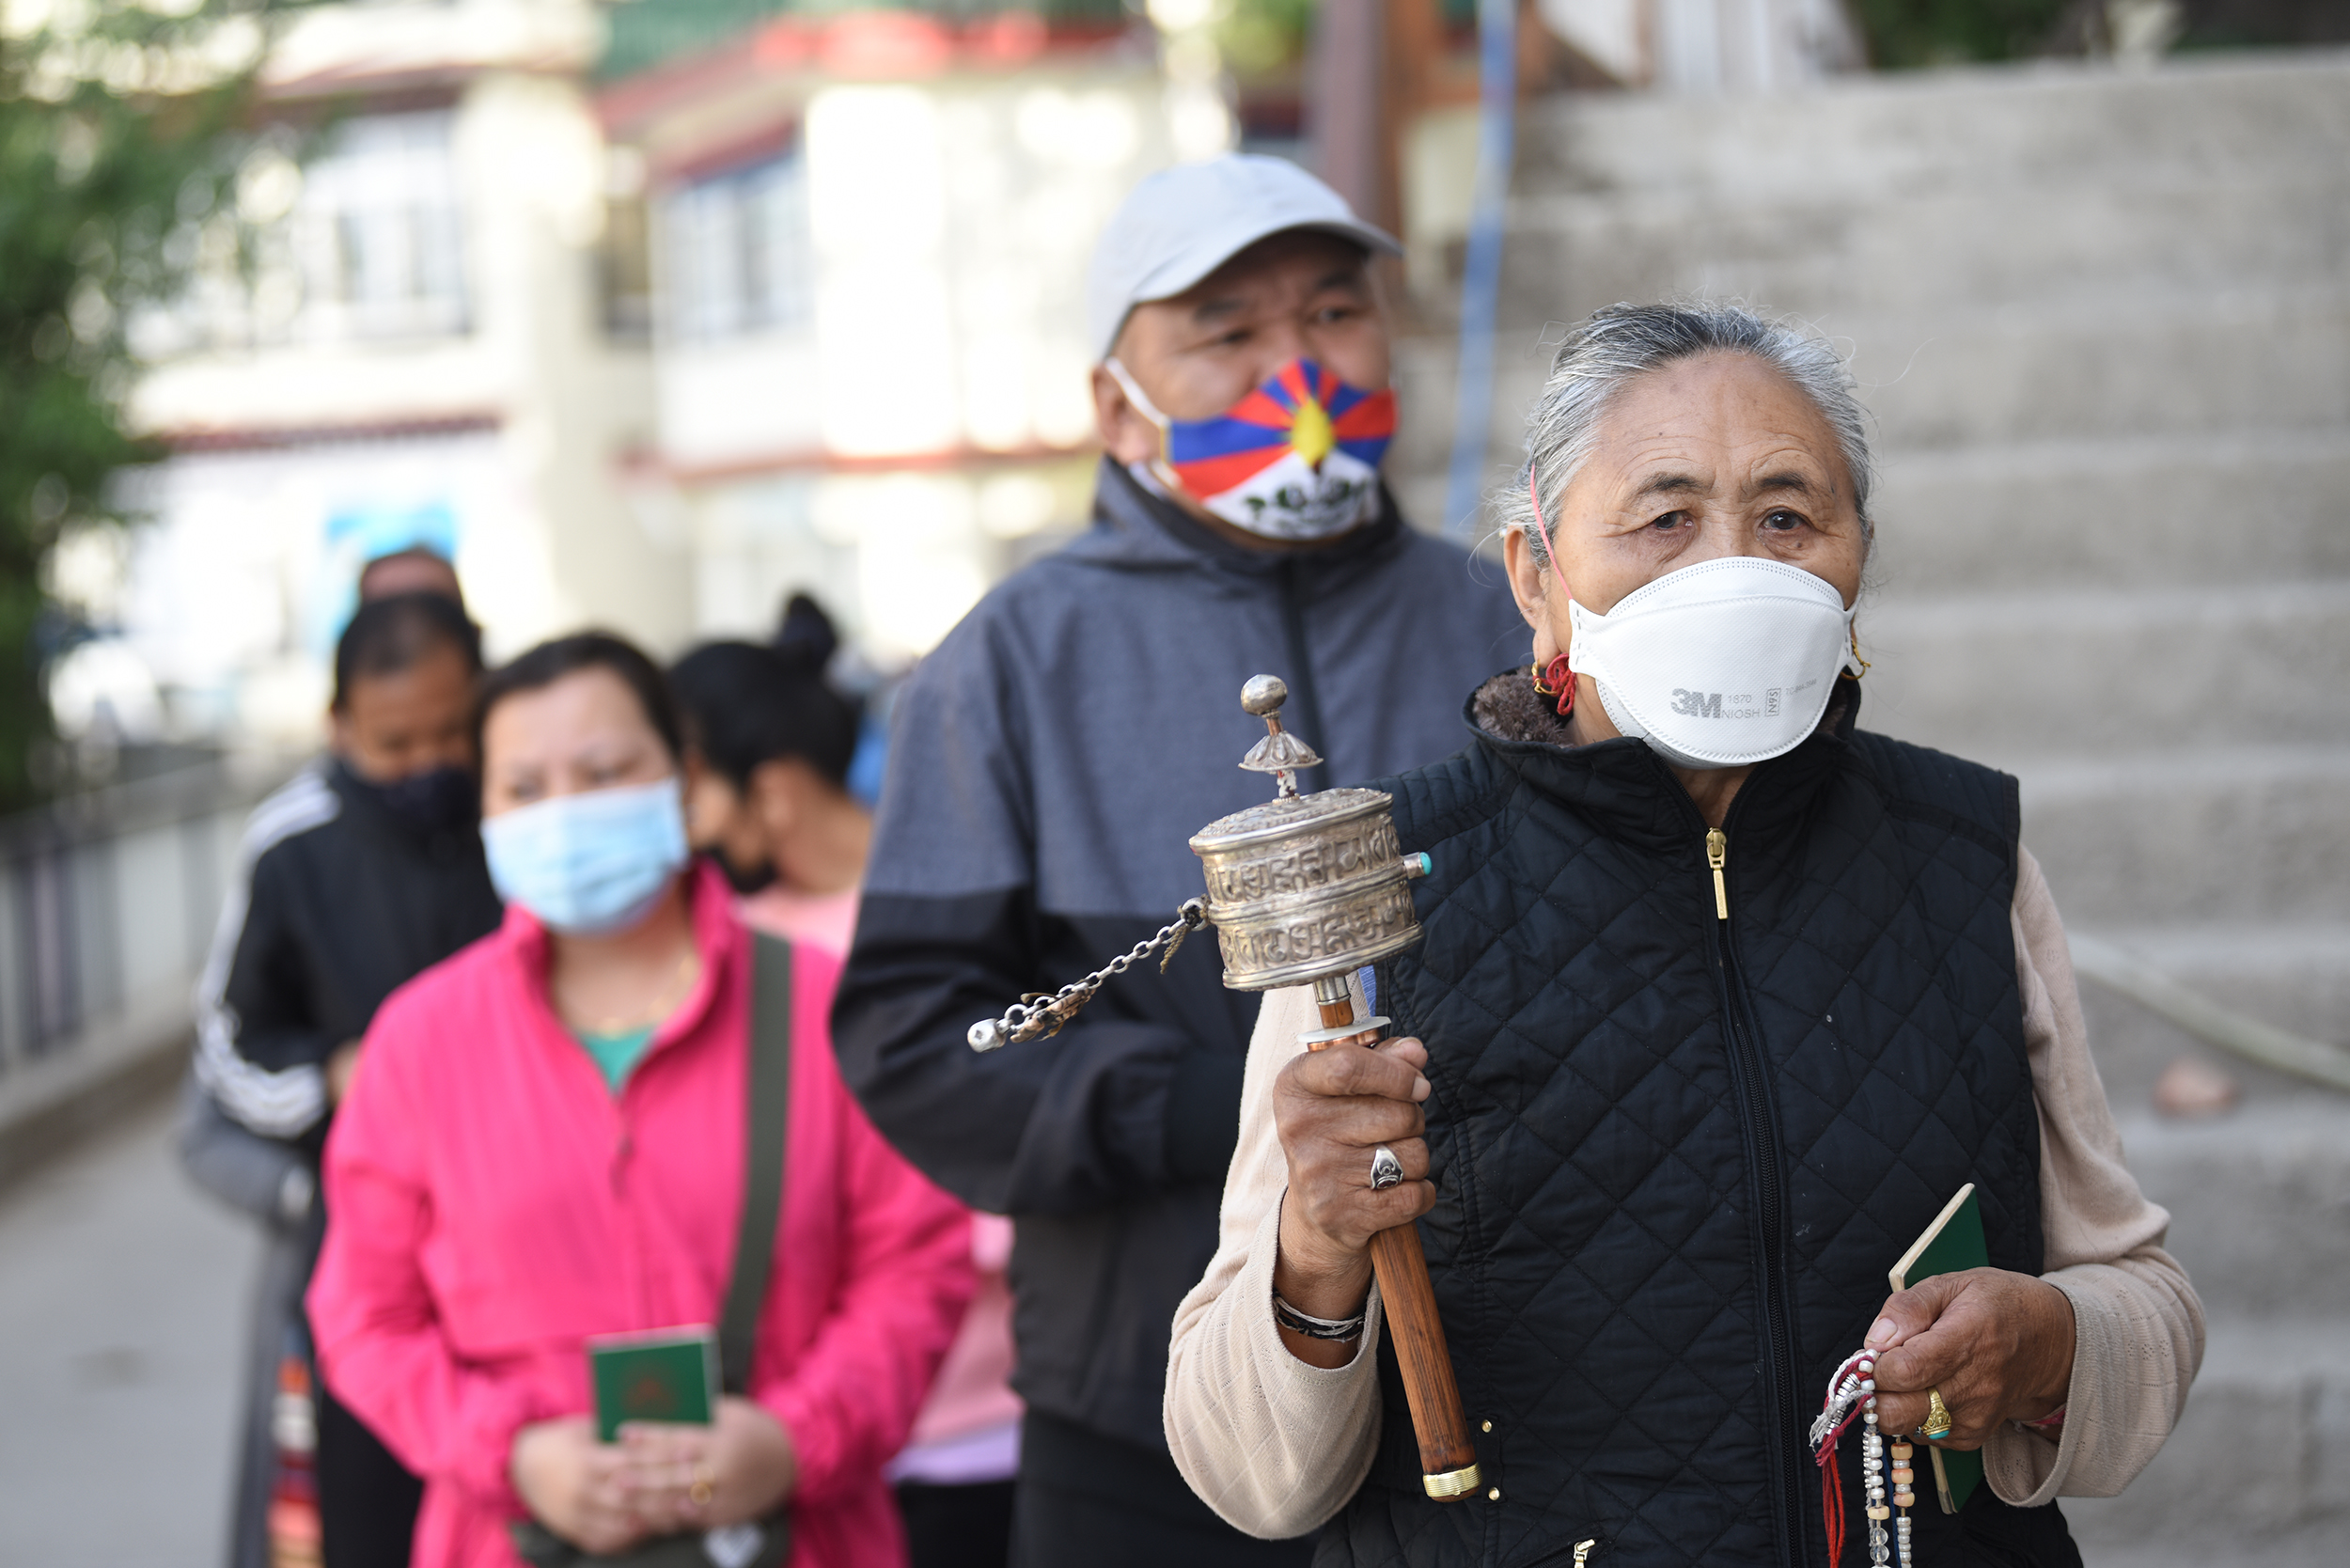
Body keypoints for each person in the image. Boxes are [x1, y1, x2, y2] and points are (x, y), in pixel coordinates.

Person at [1163, 304, 2206, 1565]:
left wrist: (2049, 1345)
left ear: (1858, 557)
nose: (1733, 570)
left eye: (1786, 515)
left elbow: (2140, 1295)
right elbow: (1246, 1474)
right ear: (1537, 579)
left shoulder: (1961, 854)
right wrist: (1314, 1254)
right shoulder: (1383, 891)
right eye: (1665, 518)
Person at [831, 154, 1528, 1567]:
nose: (1298, 367)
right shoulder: (1011, 660)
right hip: (1138, 1417)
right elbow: (913, 1036)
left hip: (1503, 1378)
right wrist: (1236, 1108)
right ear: (1112, 402)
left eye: (1333, 313)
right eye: (1227, 331)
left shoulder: (1502, 620)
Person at [307, 631, 975, 1568]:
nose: (564, 813)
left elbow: (917, 1270)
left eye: (604, 770)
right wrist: (516, 1455)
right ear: (486, 810)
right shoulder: (420, 1042)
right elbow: (365, 1318)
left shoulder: (826, 1008)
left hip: (799, 1538)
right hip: (508, 1543)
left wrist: (793, 1440)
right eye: (525, 788)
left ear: (685, 778)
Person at [672, 596, 1024, 1568]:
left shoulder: (969, 906)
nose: (678, 822)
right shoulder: (734, 949)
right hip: (831, 1432)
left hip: (1001, 1412)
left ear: (772, 792)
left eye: (691, 786)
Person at [184, 589, 504, 1568]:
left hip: (527, 1221)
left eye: (451, 734)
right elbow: (229, 1045)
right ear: (339, 727)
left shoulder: (521, 803)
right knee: (369, 1512)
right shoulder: (291, 844)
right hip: (369, 1248)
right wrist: (333, 1079)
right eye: (394, 744)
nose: (427, 766)